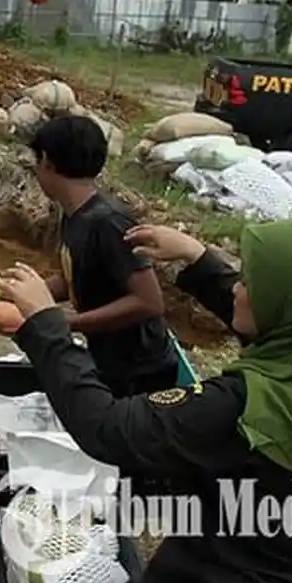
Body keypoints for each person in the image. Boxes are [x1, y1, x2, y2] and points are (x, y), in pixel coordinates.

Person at [0, 218, 292, 583]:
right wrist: (199, 259)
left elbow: (109, 428)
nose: (240, 289)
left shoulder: (249, 408)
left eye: (251, 282)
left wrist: (46, 326)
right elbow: (278, 323)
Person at [25, 115, 177, 398]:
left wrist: (67, 322)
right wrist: (26, 296)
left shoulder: (108, 222)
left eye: (36, 162)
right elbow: (77, 274)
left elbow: (149, 302)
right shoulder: (74, 215)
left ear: (46, 160)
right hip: (111, 360)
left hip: (140, 372)